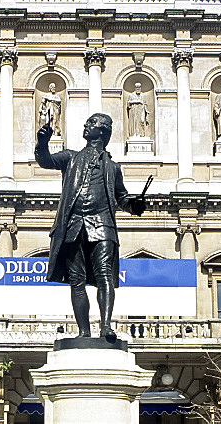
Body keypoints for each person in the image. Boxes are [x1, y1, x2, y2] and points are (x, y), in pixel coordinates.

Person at [36, 113, 147, 340]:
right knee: (76, 280)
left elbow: (121, 197)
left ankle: (106, 326)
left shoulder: (113, 167)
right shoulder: (71, 158)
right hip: (74, 224)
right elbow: (45, 160)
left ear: (103, 132)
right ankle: (84, 332)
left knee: (104, 274)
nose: (86, 126)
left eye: (91, 124)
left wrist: (135, 205)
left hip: (103, 224)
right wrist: (42, 142)